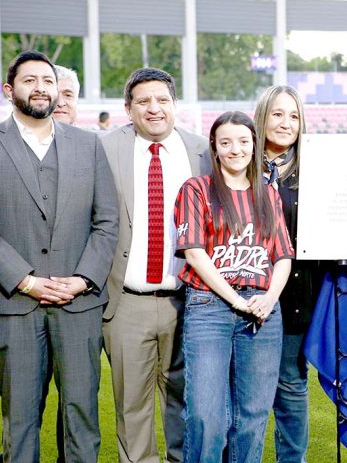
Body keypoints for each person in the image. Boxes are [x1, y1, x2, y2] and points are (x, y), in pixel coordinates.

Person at [0, 50, 118, 461]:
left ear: (59, 90)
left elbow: (106, 221)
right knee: (19, 421)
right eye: (29, 80)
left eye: (48, 80)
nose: (40, 87)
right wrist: (28, 281)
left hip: (78, 304)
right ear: (9, 90)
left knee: (81, 416)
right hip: (13, 303)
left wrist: (82, 279)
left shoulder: (88, 145)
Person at [101, 68, 209, 463]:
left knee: (186, 404)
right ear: (128, 109)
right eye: (143, 101)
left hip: (190, 301)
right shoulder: (106, 148)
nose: (154, 108)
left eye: (162, 100)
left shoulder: (203, 151)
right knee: (132, 408)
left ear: (175, 105)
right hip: (126, 302)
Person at [174, 111, 294, 462]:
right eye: (225, 142)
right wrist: (237, 302)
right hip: (209, 307)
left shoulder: (267, 194)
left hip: (262, 311)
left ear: (254, 145)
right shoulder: (197, 189)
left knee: (252, 416)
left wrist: (269, 299)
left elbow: (283, 257)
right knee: (206, 415)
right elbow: (195, 254)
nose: (235, 149)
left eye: (243, 141)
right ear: (214, 147)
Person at [253, 85, 319, 463]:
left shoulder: (313, 171)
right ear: (262, 117)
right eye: (277, 114)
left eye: (293, 116)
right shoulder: (240, 163)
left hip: (297, 297)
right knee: (246, 392)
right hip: (245, 296)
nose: (286, 123)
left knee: (291, 386)